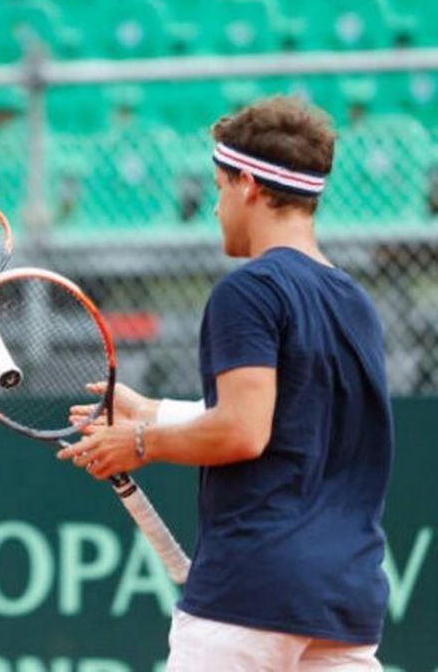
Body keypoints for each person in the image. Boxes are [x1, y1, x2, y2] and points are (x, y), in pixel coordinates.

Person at [58, 96, 392, 671]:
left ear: (247, 186)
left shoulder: (248, 291)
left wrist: (135, 444)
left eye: (217, 187)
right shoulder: (354, 301)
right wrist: (153, 413)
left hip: (251, 596)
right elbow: (293, 425)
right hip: (345, 603)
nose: (215, 207)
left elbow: (242, 430)